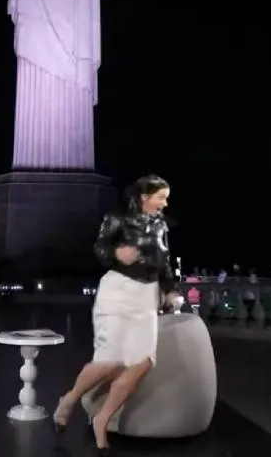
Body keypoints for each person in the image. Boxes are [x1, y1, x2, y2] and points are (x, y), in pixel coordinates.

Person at [53, 174, 175, 455]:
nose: (164, 204)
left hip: (147, 295)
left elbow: (165, 260)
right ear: (145, 197)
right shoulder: (117, 217)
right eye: (161, 197)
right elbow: (99, 248)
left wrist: (170, 289)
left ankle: (102, 417)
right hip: (118, 290)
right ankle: (70, 398)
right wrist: (117, 253)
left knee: (143, 362)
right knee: (110, 360)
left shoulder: (160, 224)